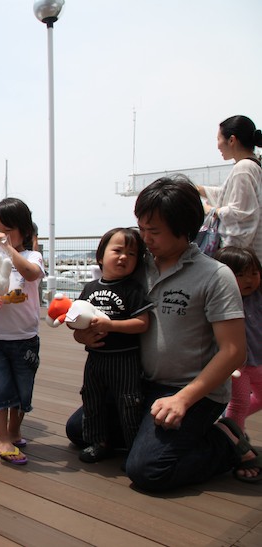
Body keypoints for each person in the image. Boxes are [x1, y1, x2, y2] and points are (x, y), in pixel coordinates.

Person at [70, 176, 257, 491]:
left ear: (183, 228)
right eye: (141, 228)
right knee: (79, 429)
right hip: (135, 382)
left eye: (153, 231)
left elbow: (234, 351)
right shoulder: (136, 266)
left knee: (147, 470)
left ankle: (225, 440)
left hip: (190, 390)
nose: (144, 238)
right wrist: (84, 334)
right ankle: (149, 432)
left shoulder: (215, 276)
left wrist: (183, 399)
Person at [73, 228, 152, 463]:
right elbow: (76, 323)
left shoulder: (133, 289)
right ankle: (98, 442)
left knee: (129, 402)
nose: (124, 257)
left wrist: (111, 325)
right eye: (117, 250)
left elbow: (142, 323)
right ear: (100, 256)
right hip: (95, 357)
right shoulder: (89, 288)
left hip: (124, 359)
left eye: (132, 254)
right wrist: (81, 336)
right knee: (92, 398)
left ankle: (133, 449)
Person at [0, 198, 44, 465]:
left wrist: (8, 248)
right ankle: (2, 438)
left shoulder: (32, 257)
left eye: (8, 230)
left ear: (25, 231)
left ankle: (14, 431)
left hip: (25, 337)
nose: (1, 235)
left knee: (22, 390)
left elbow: (30, 274)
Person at [197, 115, 262, 258]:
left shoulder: (243, 168)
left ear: (232, 140)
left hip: (243, 260)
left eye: (218, 139)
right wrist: (202, 190)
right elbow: (230, 195)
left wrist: (211, 210)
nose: (217, 146)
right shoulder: (253, 165)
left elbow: (240, 213)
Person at [214, 246, 262, 434]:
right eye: (240, 275)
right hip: (236, 366)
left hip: (258, 361)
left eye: (254, 273)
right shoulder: (221, 301)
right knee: (239, 403)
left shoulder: (258, 297)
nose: (249, 280)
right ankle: (234, 442)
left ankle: (226, 426)